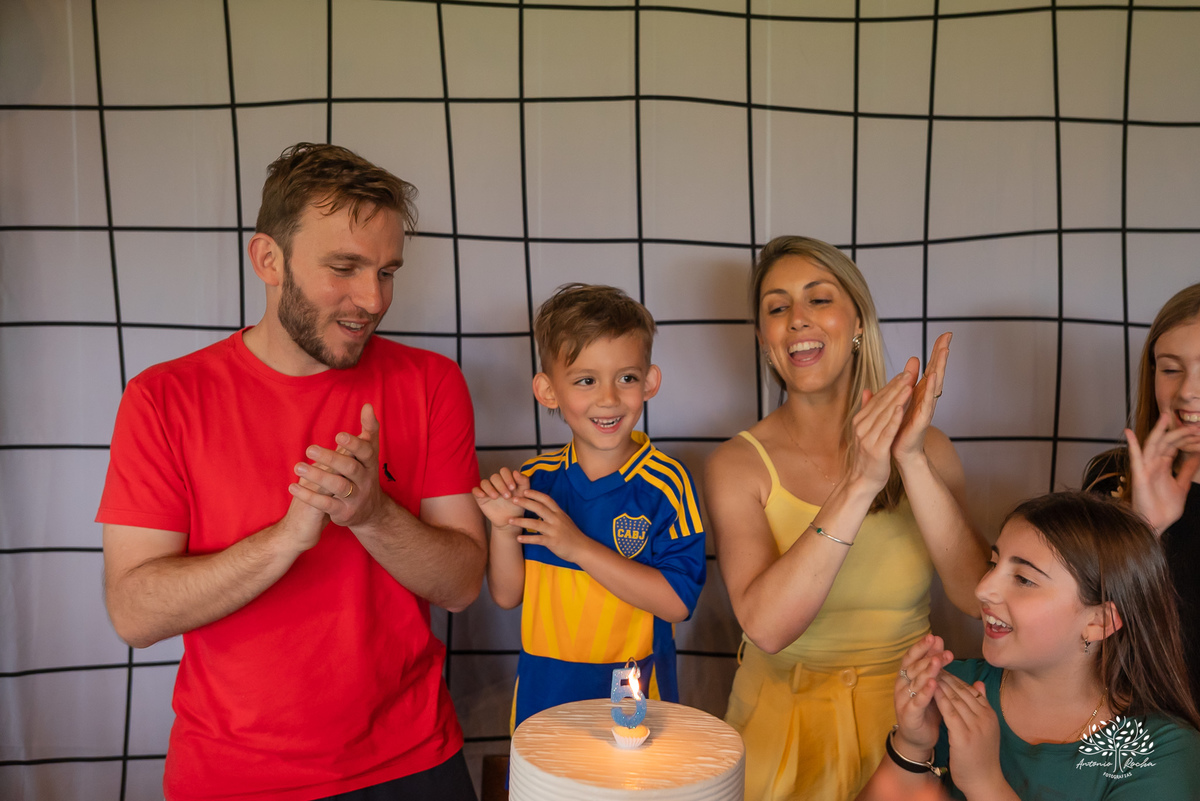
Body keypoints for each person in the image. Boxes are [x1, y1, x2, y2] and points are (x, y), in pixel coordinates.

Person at [98, 143, 486, 801]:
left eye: (388, 271)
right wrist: (284, 539)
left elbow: (461, 583)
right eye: (345, 267)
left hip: (414, 763)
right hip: (233, 777)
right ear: (268, 259)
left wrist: (371, 513)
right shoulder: (163, 399)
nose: (372, 298)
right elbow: (134, 612)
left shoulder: (431, 384)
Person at [704, 236, 989, 801]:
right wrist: (861, 482)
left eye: (818, 299)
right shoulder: (736, 463)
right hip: (778, 731)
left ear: (857, 319)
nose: (797, 321)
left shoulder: (930, 446)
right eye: (777, 308)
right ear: (765, 340)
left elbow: (976, 595)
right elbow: (767, 626)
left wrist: (909, 458)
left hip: (908, 727)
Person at [860, 491, 1200, 800]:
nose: (983, 589)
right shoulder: (951, 690)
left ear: (1099, 622)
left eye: (1024, 579)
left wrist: (984, 783)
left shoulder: (1162, 749)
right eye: (994, 564)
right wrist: (911, 746)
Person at [473, 283, 706, 731]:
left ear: (650, 382)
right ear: (547, 390)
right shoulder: (535, 480)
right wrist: (502, 530)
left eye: (626, 378)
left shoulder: (667, 484)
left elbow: (677, 603)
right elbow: (507, 596)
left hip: (633, 696)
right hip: (544, 693)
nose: (608, 398)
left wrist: (578, 547)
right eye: (586, 380)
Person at [1083, 282, 1200, 702]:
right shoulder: (1111, 478)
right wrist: (1143, 528)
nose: (1188, 390)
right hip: (1141, 735)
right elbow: (1081, 631)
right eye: (1170, 369)